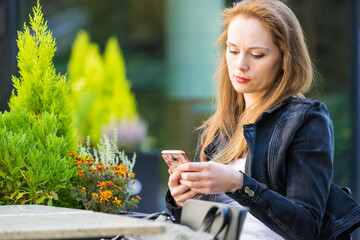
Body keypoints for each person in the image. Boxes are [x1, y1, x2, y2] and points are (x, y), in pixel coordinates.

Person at [165, 0, 360, 239]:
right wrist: (181, 201)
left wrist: (237, 183)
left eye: (257, 55)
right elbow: (209, 226)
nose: (240, 65)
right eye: (233, 51)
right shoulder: (215, 130)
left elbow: (307, 228)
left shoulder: (305, 120)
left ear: (284, 59)